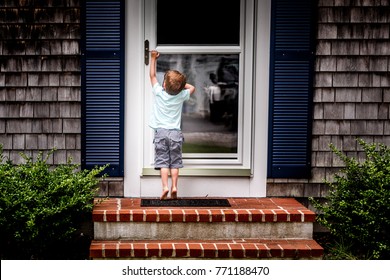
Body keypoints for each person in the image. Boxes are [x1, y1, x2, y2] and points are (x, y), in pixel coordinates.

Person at [148, 50, 196, 200]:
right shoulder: (181, 95)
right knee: (175, 162)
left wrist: (153, 58)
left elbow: (152, 75)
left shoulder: (159, 93)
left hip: (161, 133)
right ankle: (175, 186)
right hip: (175, 133)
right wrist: (181, 85)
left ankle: (165, 187)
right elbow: (192, 88)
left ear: (164, 84)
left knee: (163, 162)